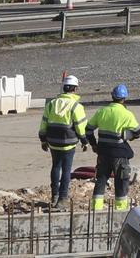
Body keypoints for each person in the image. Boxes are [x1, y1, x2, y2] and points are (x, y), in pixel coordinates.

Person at [86, 84, 140, 213]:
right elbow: (138, 132)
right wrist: (129, 136)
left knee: (101, 179)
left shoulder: (102, 111)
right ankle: (121, 210)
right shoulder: (127, 114)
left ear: (112, 96)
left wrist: (94, 144)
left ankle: (96, 209)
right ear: (124, 98)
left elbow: (88, 130)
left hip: (103, 153)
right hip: (120, 154)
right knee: (121, 181)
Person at [38, 74, 89, 206]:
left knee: (56, 166)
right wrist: (84, 141)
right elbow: (80, 126)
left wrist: (43, 140)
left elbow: (44, 124)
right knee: (66, 170)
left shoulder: (51, 104)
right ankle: (62, 198)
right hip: (69, 143)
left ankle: (54, 196)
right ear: (75, 89)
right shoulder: (76, 106)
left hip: (53, 141)